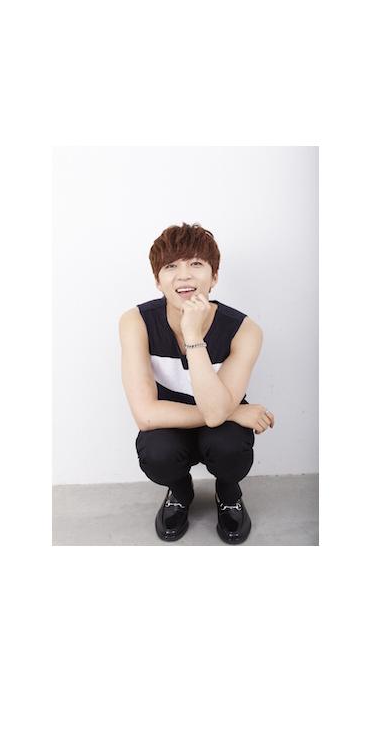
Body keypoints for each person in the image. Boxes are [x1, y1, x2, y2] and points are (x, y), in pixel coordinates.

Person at [119, 222, 275, 543]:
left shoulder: (244, 330)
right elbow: (146, 415)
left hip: (220, 427)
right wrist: (235, 412)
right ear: (157, 280)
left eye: (195, 264)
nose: (184, 276)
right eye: (170, 266)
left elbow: (216, 413)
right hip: (172, 423)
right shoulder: (136, 322)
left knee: (231, 447)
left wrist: (193, 334)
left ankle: (228, 493)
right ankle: (180, 491)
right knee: (156, 452)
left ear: (214, 276)